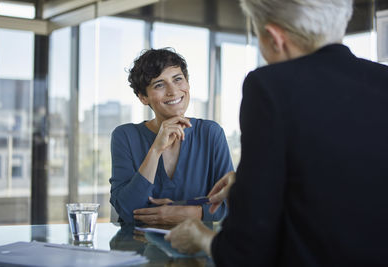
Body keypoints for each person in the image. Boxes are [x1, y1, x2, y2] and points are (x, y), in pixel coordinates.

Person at [165, 0, 388, 265]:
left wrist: (202, 238)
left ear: (274, 38)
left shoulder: (270, 85)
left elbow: (245, 251)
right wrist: (250, 184)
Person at [109, 48, 233, 224]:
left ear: (187, 83)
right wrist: (156, 149)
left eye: (178, 79)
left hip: (196, 247)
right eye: (159, 84)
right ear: (143, 97)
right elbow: (128, 210)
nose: (173, 91)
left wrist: (184, 213)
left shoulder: (210, 133)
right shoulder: (125, 136)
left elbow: (229, 203)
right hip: (137, 248)